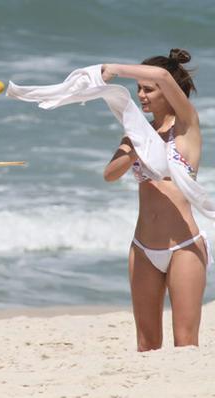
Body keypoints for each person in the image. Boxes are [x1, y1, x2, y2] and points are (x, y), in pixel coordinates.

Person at [102, 49, 207, 351]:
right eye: (139, 90)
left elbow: (161, 73)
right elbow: (110, 174)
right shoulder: (136, 134)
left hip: (184, 247)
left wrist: (115, 68)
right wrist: (135, 147)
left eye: (147, 89)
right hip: (143, 248)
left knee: (185, 344)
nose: (141, 95)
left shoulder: (186, 126)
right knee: (146, 345)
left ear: (168, 91)